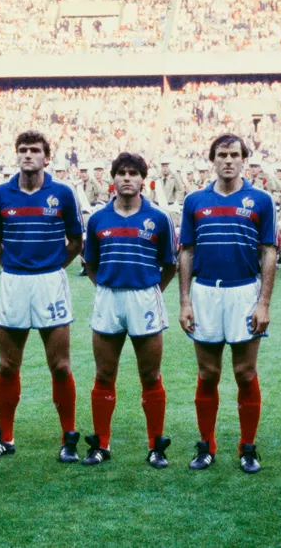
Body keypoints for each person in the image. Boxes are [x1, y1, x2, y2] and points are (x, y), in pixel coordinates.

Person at [0, 130, 84, 463]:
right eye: (23, 150)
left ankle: (68, 436)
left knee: (60, 366)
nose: (28, 155)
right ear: (17, 155)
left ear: (46, 157)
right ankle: (6, 437)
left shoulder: (63, 194)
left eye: (35, 150)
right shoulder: (0, 195)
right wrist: (12, 263)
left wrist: (53, 266)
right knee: (8, 365)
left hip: (50, 283)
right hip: (14, 282)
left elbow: (76, 241)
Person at [178, 134, 277, 473]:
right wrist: (185, 301)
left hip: (244, 292)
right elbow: (186, 251)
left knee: (245, 373)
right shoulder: (194, 201)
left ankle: (248, 447)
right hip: (205, 291)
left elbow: (269, 252)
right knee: (208, 373)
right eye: (222, 154)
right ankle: (206, 445)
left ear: (244, 160)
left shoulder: (261, 200)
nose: (228, 161)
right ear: (213, 159)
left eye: (235, 154)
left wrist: (263, 303)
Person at [82, 152, 177, 468]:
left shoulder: (158, 219)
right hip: (109, 298)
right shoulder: (98, 219)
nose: (126, 178)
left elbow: (169, 265)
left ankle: (156, 446)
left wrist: (148, 290)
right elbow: (90, 264)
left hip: (144, 298)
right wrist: (108, 286)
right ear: (112, 178)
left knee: (150, 375)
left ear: (142, 179)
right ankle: (101, 445)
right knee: (104, 374)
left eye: (133, 173)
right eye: (121, 172)